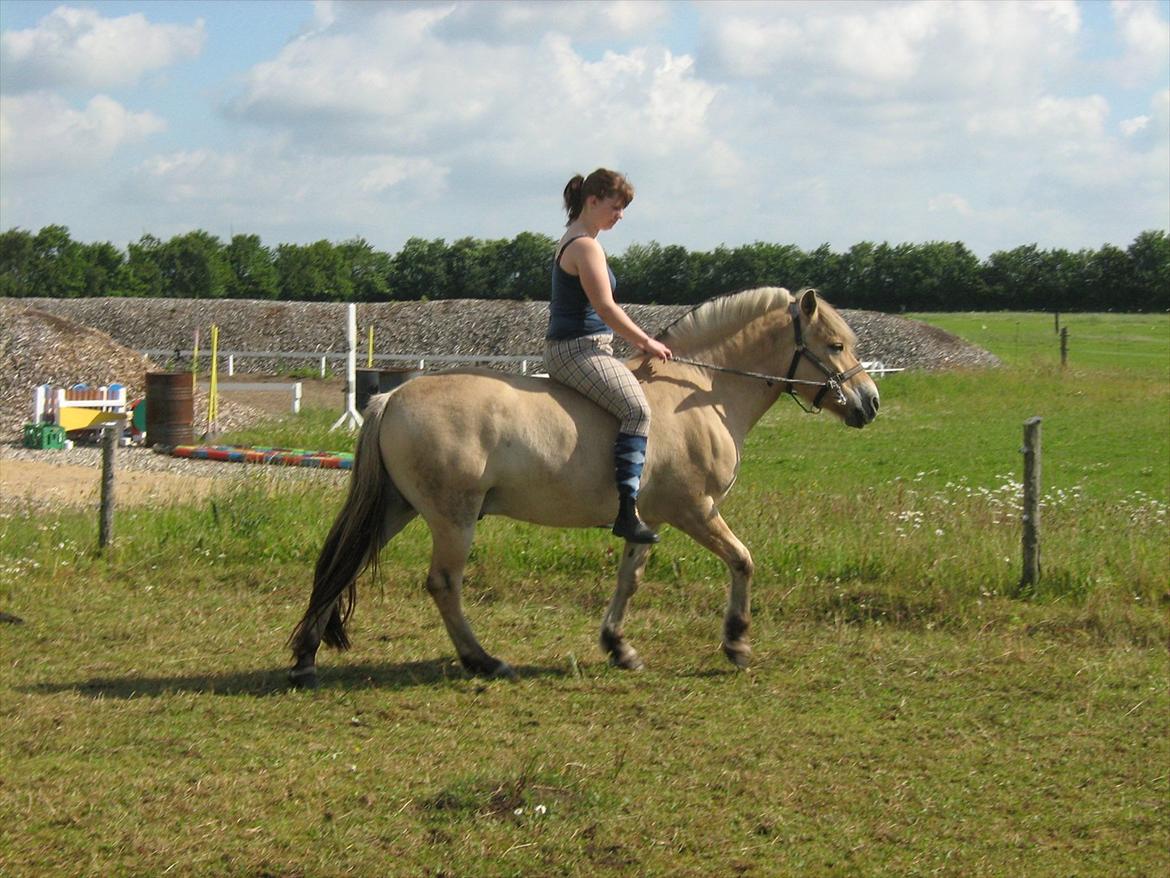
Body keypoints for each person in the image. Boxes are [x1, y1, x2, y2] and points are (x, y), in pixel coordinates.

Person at [544, 169, 672, 544]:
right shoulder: (585, 245)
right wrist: (646, 342)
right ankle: (626, 511)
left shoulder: (579, 240)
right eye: (616, 207)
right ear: (593, 201)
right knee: (637, 411)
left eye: (623, 209)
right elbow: (605, 307)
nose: (620, 215)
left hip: (586, 346)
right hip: (577, 350)